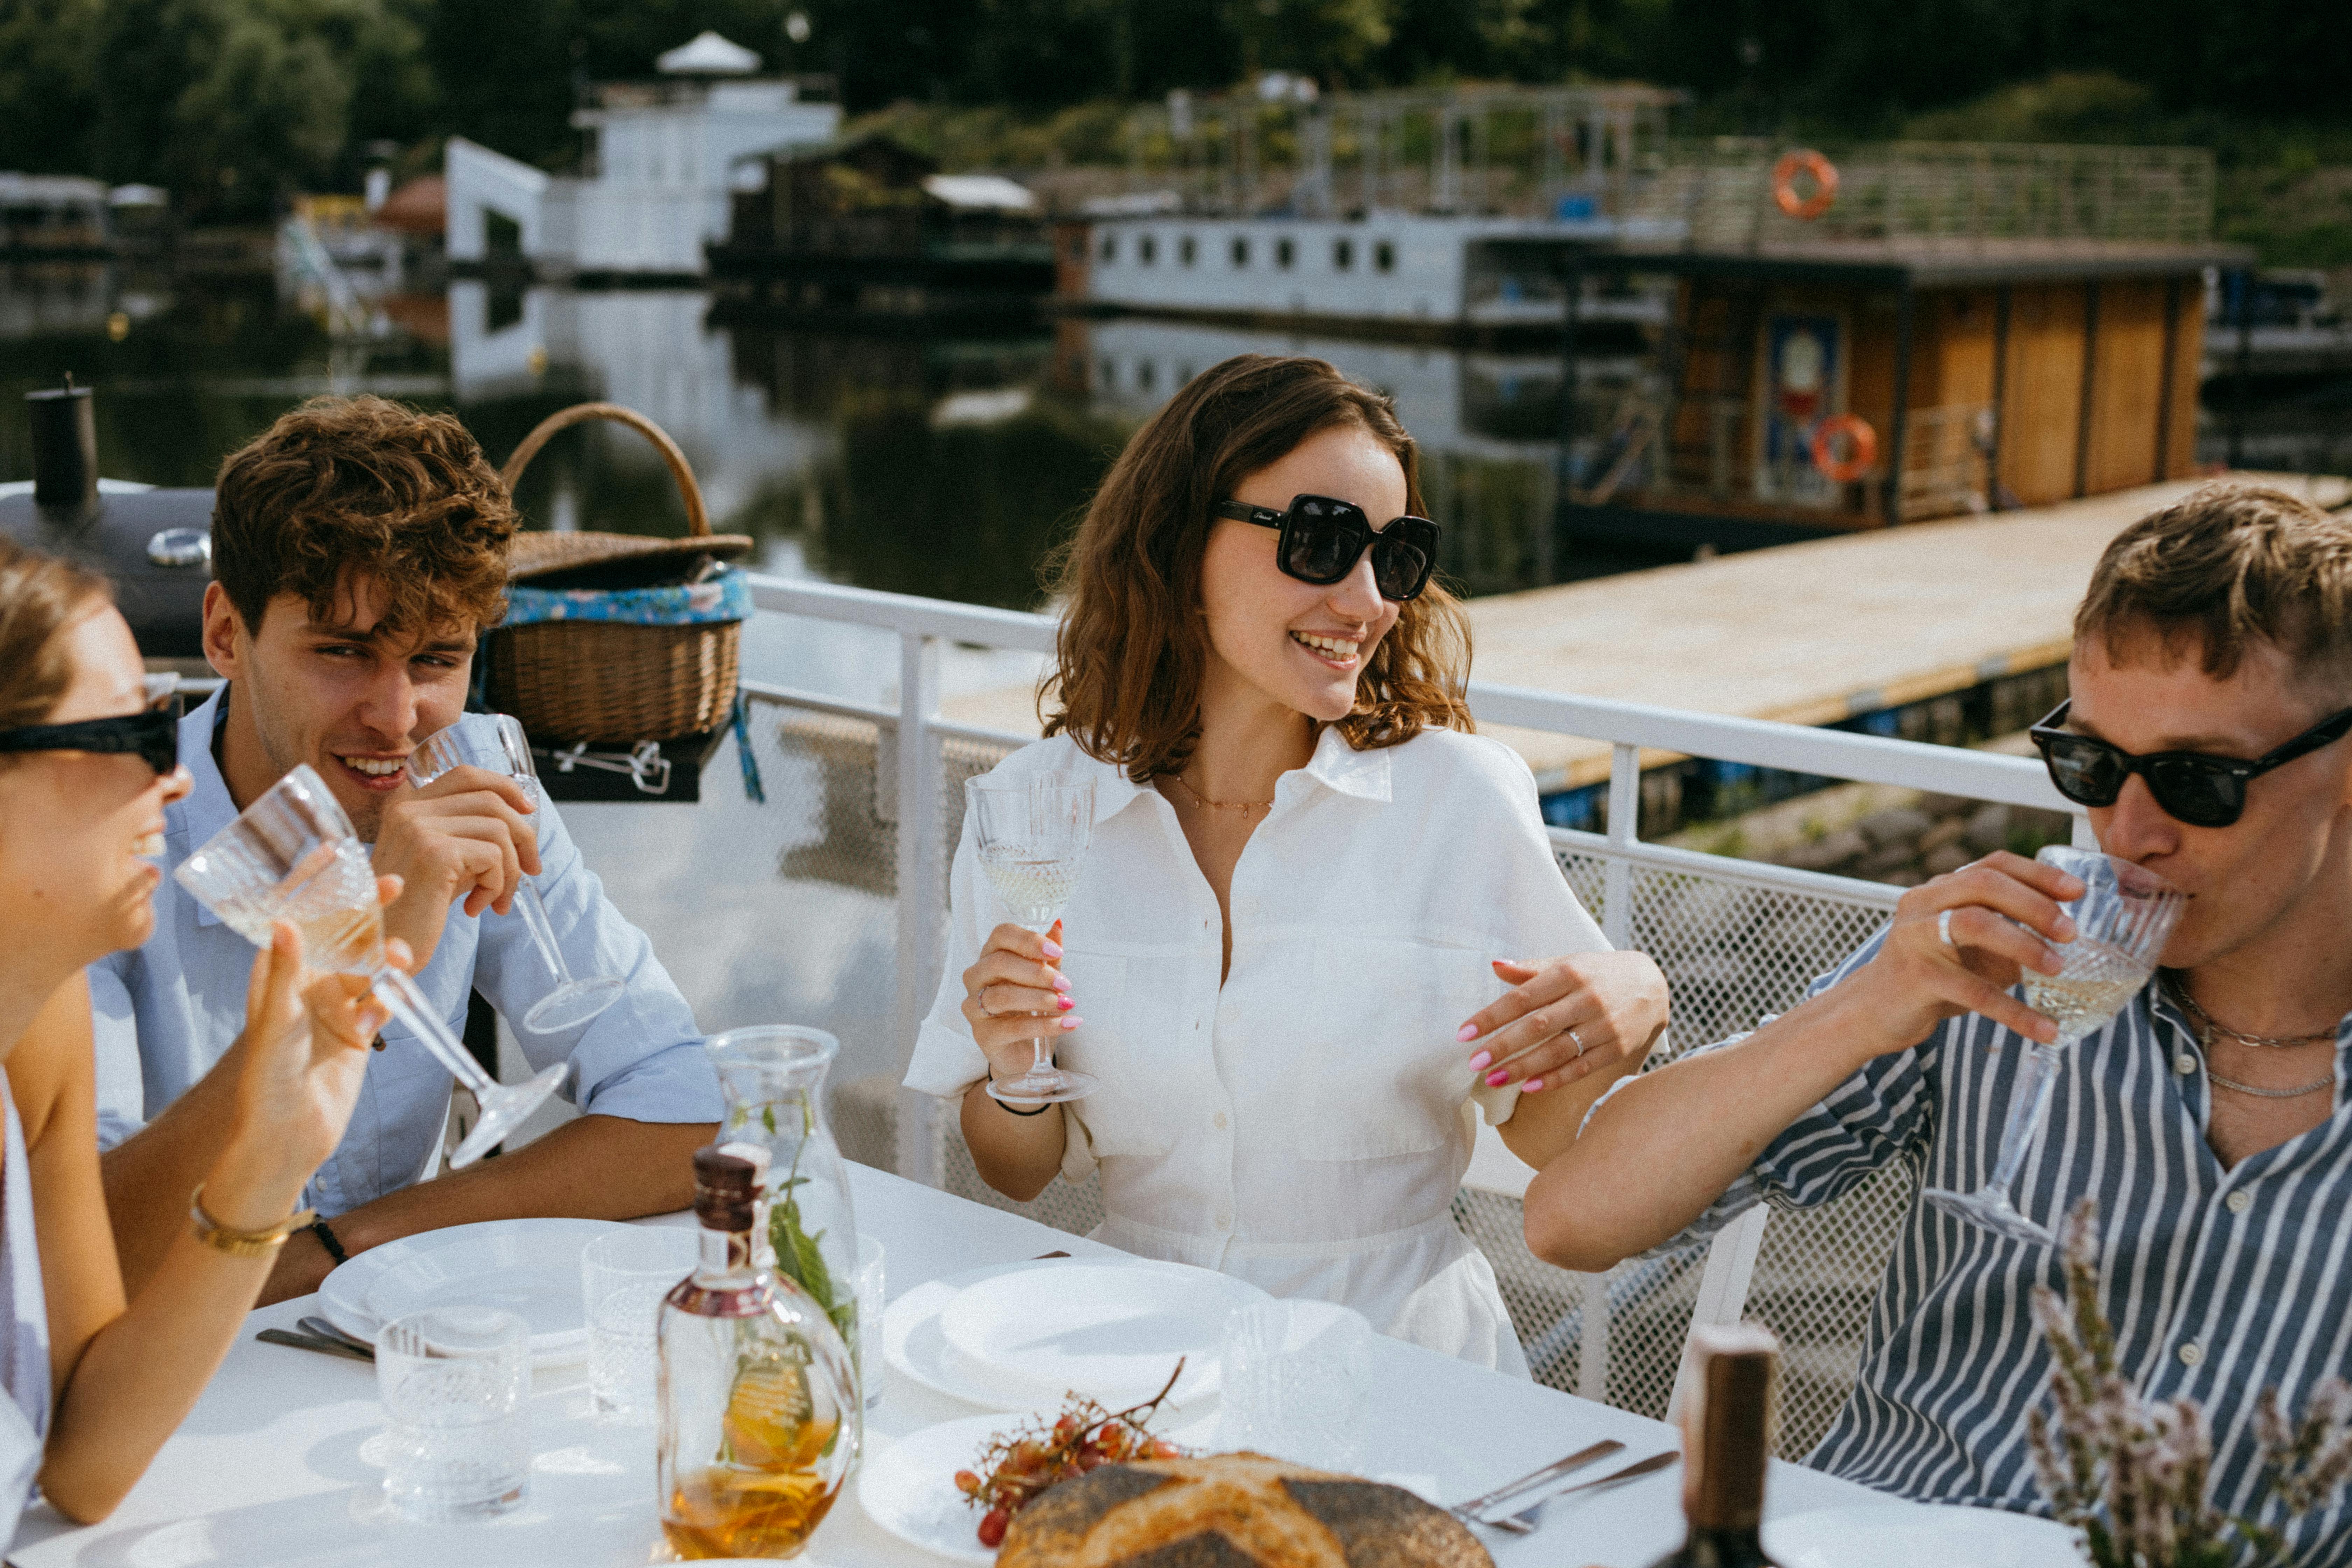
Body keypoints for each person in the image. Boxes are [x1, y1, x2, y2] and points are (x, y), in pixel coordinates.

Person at [1520, 484, 2352, 1559]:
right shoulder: (1981, 971)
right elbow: (1572, 1221)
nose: (2126, 831)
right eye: (2092, 766)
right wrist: (1865, 1008)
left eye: (2201, 779)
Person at [905, 355, 1669, 1372]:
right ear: (1182, 543)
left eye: (1395, 558)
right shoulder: (1036, 811)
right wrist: (1010, 1073)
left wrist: (1634, 1004)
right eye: (1321, 542)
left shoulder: (1460, 804)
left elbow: (1541, 1134)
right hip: (1133, 1363)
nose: (1366, 601)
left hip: (1397, 1372)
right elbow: (1018, 1174)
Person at [91, 396, 719, 1308]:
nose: (396, 719)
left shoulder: (477, 773)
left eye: (436, 661)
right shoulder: (103, 853)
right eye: (344, 653)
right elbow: (88, 1249)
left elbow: (688, 1105)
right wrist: (366, 945)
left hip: (407, 1345)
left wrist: (353, 1245)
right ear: (227, 634)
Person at [0, 541, 389, 1539]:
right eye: (133, 731)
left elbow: (86, 1461)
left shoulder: (40, 1028)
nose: (174, 781)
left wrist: (268, 1164)